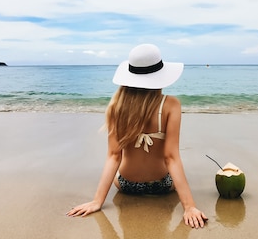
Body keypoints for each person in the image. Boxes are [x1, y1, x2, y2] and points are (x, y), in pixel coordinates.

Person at [66, 43, 208, 228]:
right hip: (162, 185)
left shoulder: (117, 107)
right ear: (160, 76)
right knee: (175, 169)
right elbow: (171, 157)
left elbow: (114, 156)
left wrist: (97, 201)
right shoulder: (171, 105)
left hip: (126, 185)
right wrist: (189, 207)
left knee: (120, 168)